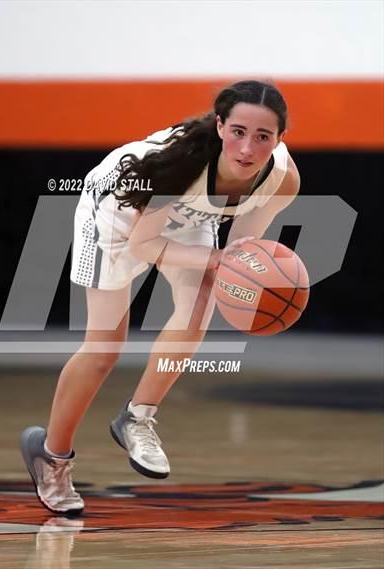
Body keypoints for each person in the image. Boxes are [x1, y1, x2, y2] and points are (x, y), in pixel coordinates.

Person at [20, 80, 300, 514]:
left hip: (189, 215)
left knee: (202, 301)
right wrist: (215, 259)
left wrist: (245, 278)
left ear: (280, 139)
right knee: (103, 350)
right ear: (221, 125)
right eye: (239, 131)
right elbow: (143, 245)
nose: (248, 147)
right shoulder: (180, 164)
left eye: (263, 137)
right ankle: (51, 458)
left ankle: (137, 417)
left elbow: (238, 254)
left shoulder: (283, 180)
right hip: (120, 207)